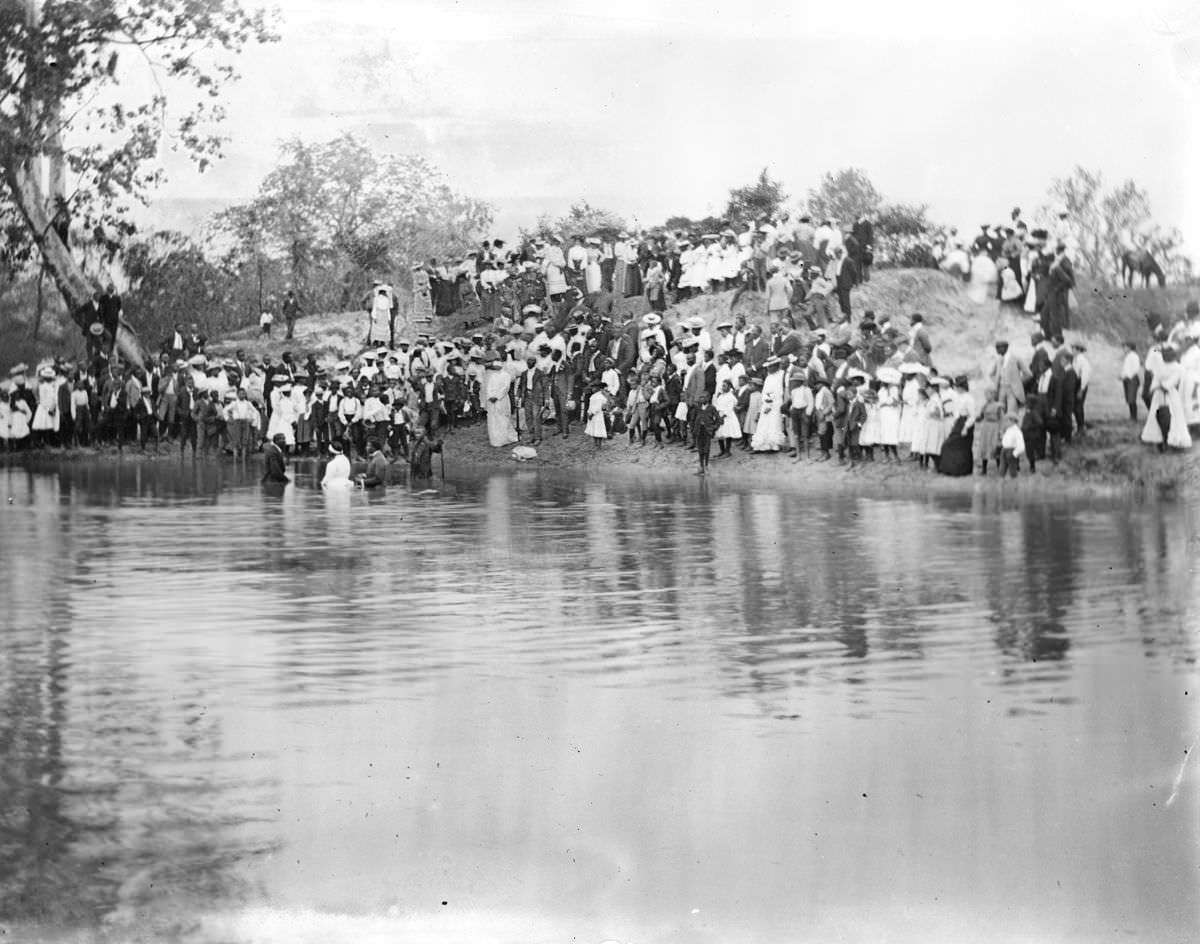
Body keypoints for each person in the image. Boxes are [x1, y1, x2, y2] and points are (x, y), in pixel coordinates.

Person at [692, 392, 720, 474]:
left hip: (707, 430)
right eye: (700, 398)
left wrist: (714, 427)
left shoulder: (712, 408)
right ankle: (701, 467)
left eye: (703, 398)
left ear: (708, 398)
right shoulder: (697, 407)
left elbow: (718, 419)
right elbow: (693, 418)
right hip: (699, 429)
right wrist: (693, 427)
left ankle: (706, 466)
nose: (701, 399)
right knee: (700, 448)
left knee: (706, 449)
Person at [1120, 341, 1142, 422]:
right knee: (1129, 398)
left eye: (1125, 347)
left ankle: (1134, 417)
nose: (1124, 349)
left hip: (1132, 379)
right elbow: (1126, 369)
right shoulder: (1128, 356)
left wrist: (1127, 376)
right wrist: (1122, 376)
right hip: (1127, 379)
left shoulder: (1134, 356)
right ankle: (1131, 416)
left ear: (1129, 347)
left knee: (1131, 398)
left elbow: (1135, 369)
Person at [999, 413, 1026, 477]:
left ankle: (1014, 483)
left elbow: (1021, 446)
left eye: (1007, 421)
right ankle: (1001, 481)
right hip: (1004, 450)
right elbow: (1007, 440)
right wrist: (1002, 437)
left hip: (1011, 451)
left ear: (1012, 421)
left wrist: (1015, 453)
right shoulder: (1008, 430)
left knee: (1012, 469)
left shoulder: (1017, 431)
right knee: (1002, 468)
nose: (1005, 423)